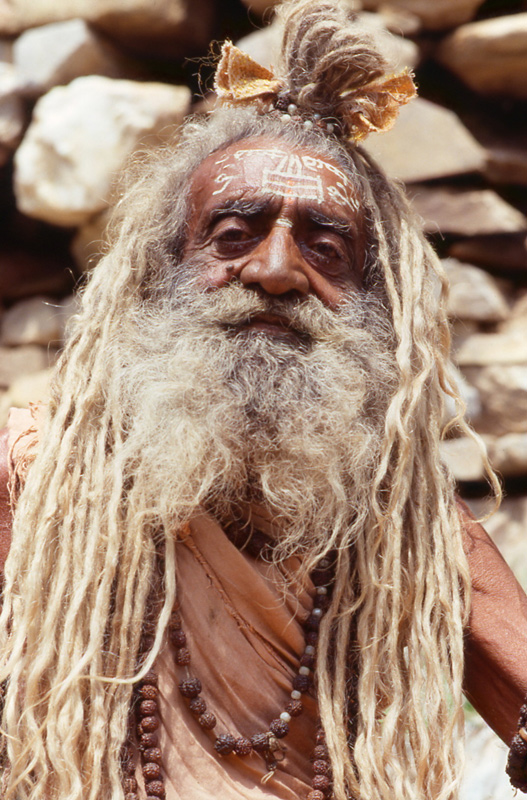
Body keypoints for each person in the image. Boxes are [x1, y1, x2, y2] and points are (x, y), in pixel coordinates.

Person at [0, 1, 526, 799]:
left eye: (324, 246)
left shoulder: (402, 527)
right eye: (235, 233)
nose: (278, 271)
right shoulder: (32, 478)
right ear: (159, 274)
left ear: (372, 301)